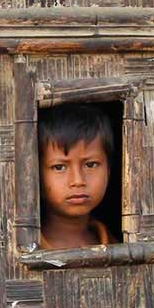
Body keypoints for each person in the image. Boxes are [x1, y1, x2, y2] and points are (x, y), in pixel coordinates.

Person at [37, 103, 118, 249]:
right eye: (59, 167)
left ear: (109, 170)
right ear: (35, 174)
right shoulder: (25, 250)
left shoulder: (116, 245)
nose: (78, 180)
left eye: (91, 165)